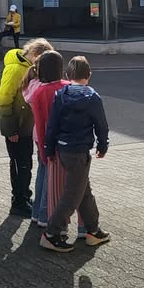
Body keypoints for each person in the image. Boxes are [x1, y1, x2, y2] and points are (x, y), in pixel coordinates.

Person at [42, 55, 111, 252]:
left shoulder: (60, 95)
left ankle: (93, 230)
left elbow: (52, 125)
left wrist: (49, 149)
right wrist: (103, 145)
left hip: (63, 149)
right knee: (72, 195)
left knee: (83, 191)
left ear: (67, 75)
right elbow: (101, 125)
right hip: (79, 151)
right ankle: (52, 233)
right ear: (89, 75)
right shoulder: (92, 97)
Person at [0, 38, 53, 217]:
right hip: (17, 128)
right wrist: (11, 129)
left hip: (27, 127)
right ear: (36, 55)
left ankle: (24, 196)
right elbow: (4, 99)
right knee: (20, 164)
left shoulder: (31, 68)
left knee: (25, 164)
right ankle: (18, 202)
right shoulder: (15, 69)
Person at [22, 50, 68, 228]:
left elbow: (39, 122)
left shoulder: (34, 86)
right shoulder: (61, 88)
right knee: (51, 177)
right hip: (54, 138)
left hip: (38, 135)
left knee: (42, 172)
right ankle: (45, 215)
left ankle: (36, 213)